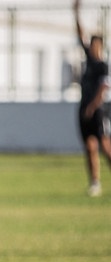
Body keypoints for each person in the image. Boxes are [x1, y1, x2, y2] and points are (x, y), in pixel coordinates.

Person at [74, 0, 109, 197]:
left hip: (98, 111)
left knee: (105, 146)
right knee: (90, 146)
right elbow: (80, 35)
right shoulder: (88, 60)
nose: (93, 48)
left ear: (101, 46)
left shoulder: (103, 66)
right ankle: (95, 183)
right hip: (84, 109)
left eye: (96, 45)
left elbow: (104, 87)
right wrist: (76, 13)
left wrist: (93, 106)